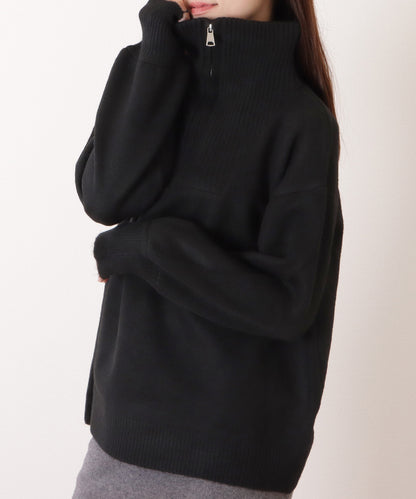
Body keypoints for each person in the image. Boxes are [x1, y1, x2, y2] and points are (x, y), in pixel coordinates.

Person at [72, 0, 344, 497]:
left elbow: (286, 301)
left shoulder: (301, 120)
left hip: (227, 455)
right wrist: (157, 46)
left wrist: (145, 245)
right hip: (117, 435)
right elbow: (104, 197)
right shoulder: (146, 69)